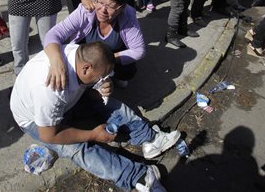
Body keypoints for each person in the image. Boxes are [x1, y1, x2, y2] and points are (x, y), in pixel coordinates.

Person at [10, 41, 179, 191]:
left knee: (106, 103)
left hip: (63, 104)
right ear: (86, 68)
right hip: (34, 120)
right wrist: (93, 135)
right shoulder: (50, 88)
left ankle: (148, 138)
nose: (104, 79)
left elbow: (87, 89)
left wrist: (101, 89)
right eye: (101, 76)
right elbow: (49, 135)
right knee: (76, 148)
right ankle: (138, 177)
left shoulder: (80, 55)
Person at [44, 0, 145, 90]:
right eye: (100, 2)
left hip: (109, 57)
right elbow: (53, 34)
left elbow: (139, 50)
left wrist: (104, 61)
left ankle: (110, 75)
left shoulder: (127, 15)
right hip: (86, 58)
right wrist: (56, 60)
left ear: (122, 8)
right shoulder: (85, 11)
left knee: (128, 70)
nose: (103, 10)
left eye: (110, 7)